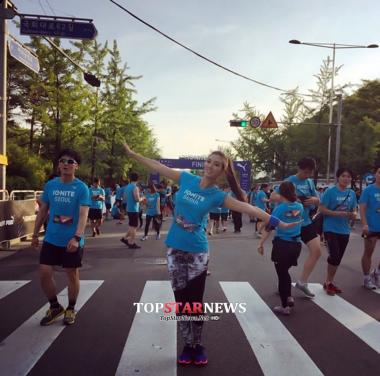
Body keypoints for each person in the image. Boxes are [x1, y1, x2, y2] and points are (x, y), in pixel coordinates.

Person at [122, 143, 300, 365]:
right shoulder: (186, 179)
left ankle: (198, 344)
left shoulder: (218, 196)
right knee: (181, 301)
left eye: (217, 164)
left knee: (195, 302)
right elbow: (158, 165)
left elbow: (249, 209)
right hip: (175, 249)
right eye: (209, 161)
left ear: (223, 172)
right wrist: (132, 154)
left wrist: (277, 221)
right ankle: (188, 345)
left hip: (197, 251)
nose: (211, 166)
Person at [31, 149, 90, 326]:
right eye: (62, 161)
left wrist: (77, 237)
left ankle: (71, 308)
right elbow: (43, 210)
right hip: (51, 238)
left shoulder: (81, 188)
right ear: (58, 165)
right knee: (44, 272)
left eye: (70, 161)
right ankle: (55, 307)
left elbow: (83, 214)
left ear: (76, 166)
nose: (65, 164)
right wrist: (35, 234)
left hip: (71, 239)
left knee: (71, 274)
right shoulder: (51, 185)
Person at [257, 181, 304, 315]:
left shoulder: (279, 208)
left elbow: (269, 227)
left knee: (282, 274)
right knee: (285, 272)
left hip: (283, 245)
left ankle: (285, 306)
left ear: (281, 193)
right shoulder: (299, 206)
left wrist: (260, 243)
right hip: (296, 245)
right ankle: (288, 296)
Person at [286, 157, 321, 298]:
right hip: (290, 224)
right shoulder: (289, 181)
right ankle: (284, 280)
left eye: (309, 172)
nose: (306, 175)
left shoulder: (310, 182)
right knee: (288, 258)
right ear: (298, 168)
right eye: (305, 172)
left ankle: (303, 282)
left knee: (317, 251)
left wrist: (314, 200)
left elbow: (319, 200)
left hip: (306, 222)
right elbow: (277, 199)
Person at [319, 168, 357, 295]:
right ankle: (329, 282)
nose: (346, 178)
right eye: (343, 176)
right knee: (334, 256)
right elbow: (322, 209)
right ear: (338, 177)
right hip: (330, 228)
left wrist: (354, 214)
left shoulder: (351, 193)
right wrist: (337, 213)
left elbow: (354, 208)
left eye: (348, 176)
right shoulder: (330, 192)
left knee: (338, 258)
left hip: (344, 230)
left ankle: (329, 281)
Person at [359, 164, 380, 289]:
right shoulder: (369, 190)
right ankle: (366, 278)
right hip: (371, 227)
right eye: (379, 172)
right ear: (375, 174)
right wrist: (364, 224)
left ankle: (377, 272)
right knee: (369, 252)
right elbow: (362, 208)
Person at [120, 172, 142, 249]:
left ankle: (125, 238)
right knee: (134, 227)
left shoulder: (127, 187)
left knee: (131, 225)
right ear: (138, 179)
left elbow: (125, 197)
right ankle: (131, 243)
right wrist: (142, 198)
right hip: (134, 209)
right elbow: (137, 199)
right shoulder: (135, 187)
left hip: (129, 208)